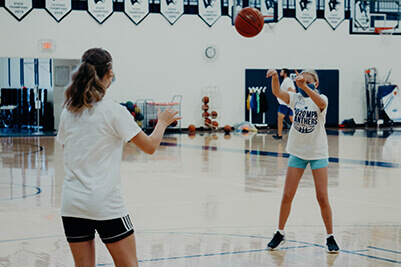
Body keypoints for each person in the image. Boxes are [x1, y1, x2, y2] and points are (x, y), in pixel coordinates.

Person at [57, 48, 181, 266]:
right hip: (105, 203)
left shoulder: (69, 110)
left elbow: (67, 148)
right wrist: (162, 122)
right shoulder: (114, 111)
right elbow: (150, 147)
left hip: (72, 202)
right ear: (109, 73)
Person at [265, 69, 340, 253]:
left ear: (316, 82)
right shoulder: (295, 99)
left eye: (308, 81)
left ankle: (330, 237)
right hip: (297, 153)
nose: (303, 82)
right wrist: (275, 77)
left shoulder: (321, 98)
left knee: (322, 197)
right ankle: (280, 232)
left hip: (318, 153)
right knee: (287, 195)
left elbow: (321, 103)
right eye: (301, 80)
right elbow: (277, 92)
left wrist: (305, 87)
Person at [273, 68, 296, 140]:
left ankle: (279, 135)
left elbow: (291, 90)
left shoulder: (287, 81)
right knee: (292, 119)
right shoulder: (287, 81)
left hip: (285, 104)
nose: (280, 73)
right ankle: (300, 134)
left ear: (285, 73)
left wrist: (289, 100)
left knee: (280, 118)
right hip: (289, 104)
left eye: (281, 72)